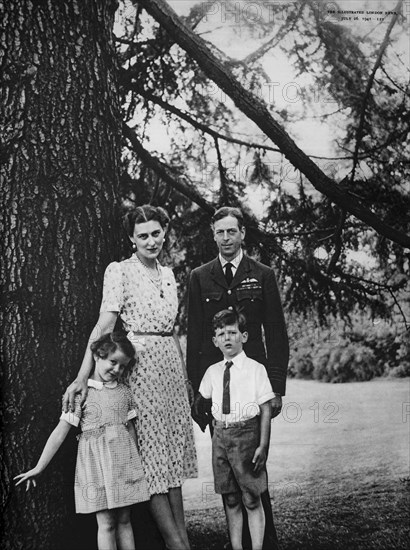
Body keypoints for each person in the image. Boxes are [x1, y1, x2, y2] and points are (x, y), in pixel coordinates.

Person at [63, 205, 197, 550]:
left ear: (164, 232)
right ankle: (175, 544)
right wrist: (82, 377)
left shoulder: (168, 274)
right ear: (131, 239)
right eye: (142, 236)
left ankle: (183, 541)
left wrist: (184, 381)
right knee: (151, 463)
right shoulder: (120, 271)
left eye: (155, 233)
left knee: (172, 462)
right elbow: (105, 326)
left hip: (170, 373)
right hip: (142, 372)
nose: (150, 241)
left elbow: (173, 333)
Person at [187, 206, 289, 549]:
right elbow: (196, 335)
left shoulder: (262, 274)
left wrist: (276, 388)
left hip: (252, 381)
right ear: (213, 235)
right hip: (216, 387)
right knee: (229, 475)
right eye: (220, 232)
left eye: (232, 231)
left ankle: (265, 541)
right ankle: (238, 543)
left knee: (254, 465)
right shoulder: (200, 276)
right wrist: (197, 395)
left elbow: (275, 332)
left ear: (242, 233)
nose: (226, 238)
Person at [15, 331, 150, 550]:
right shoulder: (82, 393)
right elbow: (61, 432)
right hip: (96, 468)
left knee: (125, 520)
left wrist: (136, 465)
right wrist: (39, 466)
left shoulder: (125, 392)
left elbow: (131, 429)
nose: (116, 370)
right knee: (106, 524)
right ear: (97, 356)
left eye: (122, 366)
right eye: (112, 362)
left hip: (124, 465)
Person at [199, 309, 274, 550]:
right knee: (230, 498)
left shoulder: (256, 369)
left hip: (247, 437)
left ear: (244, 336)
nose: (227, 338)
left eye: (232, 332)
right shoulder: (212, 372)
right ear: (215, 341)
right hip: (221, 436)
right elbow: (203, 400)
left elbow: (265, 409)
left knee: (251, 498)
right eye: (221, 334)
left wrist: (263, 445)